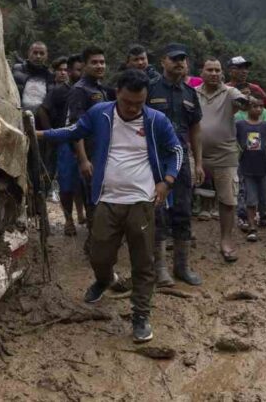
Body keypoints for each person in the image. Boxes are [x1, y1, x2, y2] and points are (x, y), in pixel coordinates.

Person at [37, 69, 182, 343]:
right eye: (128, 102)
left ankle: (140, 314)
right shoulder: (101, 114)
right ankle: (104, 279)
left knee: (143, 262)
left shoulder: (156, 120)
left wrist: (167, 181)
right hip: (106, 198)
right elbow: (73, 131)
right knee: (98, 254)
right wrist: (39, 134)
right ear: (118, 94)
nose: (133, 108)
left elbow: (176, 150)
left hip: (142, 200)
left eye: (139, 103)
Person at [146, 44, 203, 285]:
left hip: (181, 160)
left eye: (183, 59)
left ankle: (182, 267)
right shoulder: (150, 89)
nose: (179, 63)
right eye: (174, 59)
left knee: (183, 210)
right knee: (157, 212)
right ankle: (159, 268)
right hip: (154, 160)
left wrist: (199, 162)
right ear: (163, 61)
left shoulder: (190, 94)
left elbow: (196, 129)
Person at [196, 58, 249, 262]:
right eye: (209, 69)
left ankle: (226, 240)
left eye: (217, 70)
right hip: (196, 153)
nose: (214, 73)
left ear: (223, 73)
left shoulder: (229, 92)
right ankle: (178, 236)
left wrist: (245, 101)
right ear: (202, 72)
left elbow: (242, 102)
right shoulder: (193, 93)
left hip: (225, 154)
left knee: (228, 199)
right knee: (181, 194)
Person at [66, 46, 115, 250]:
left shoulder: (100, 89)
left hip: (104, 151)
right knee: (94, 200)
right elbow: (76, 127)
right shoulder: (80, 90)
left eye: (102, 62)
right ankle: (94, 245)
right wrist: (83, 159)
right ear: (85, 65)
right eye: (94, 62)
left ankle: (100, 241)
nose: (99, 66)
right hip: (90, 153)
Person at [39, 55, 88, 233]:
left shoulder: (91, 90)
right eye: (77, 70)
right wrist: (52, 134)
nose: (81, 73)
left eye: (83, 69)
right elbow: (42, 110)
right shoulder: (60, 91)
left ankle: (84, 215)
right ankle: (68, 220)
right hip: (66, 142)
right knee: (66, 183)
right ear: (69, 72)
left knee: (85, 182)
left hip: (88, 142)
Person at [236, 96, 266, 242]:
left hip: (264, 167)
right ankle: (252, 227)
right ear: (247, 108)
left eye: (261, 106)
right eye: (255, 106)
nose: (258, 109)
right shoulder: (240, 125)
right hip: (247, 167)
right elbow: (231, 137)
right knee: (251, 199)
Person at [13, 41, 54, 114]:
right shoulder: (18, 70)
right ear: (29, 54)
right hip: (18, 115)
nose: (38, 56)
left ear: (46, 56)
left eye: (42, 53)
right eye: (35, 53)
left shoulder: (49, 75)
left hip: (41, 119)